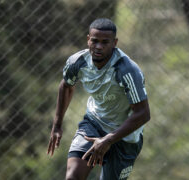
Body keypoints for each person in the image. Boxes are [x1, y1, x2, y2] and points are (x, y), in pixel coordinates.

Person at [47, 18, 150, 180]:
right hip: (94, 124)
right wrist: (57, 125)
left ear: (114, 43)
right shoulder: (77, 62)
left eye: (105, 42)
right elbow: (66, 85)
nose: (99, 47)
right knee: (73, 177)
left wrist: (108, 140)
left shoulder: (127, 70)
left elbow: (143, 113)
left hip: (125, 136)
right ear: (88, 39)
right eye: (95, 41)